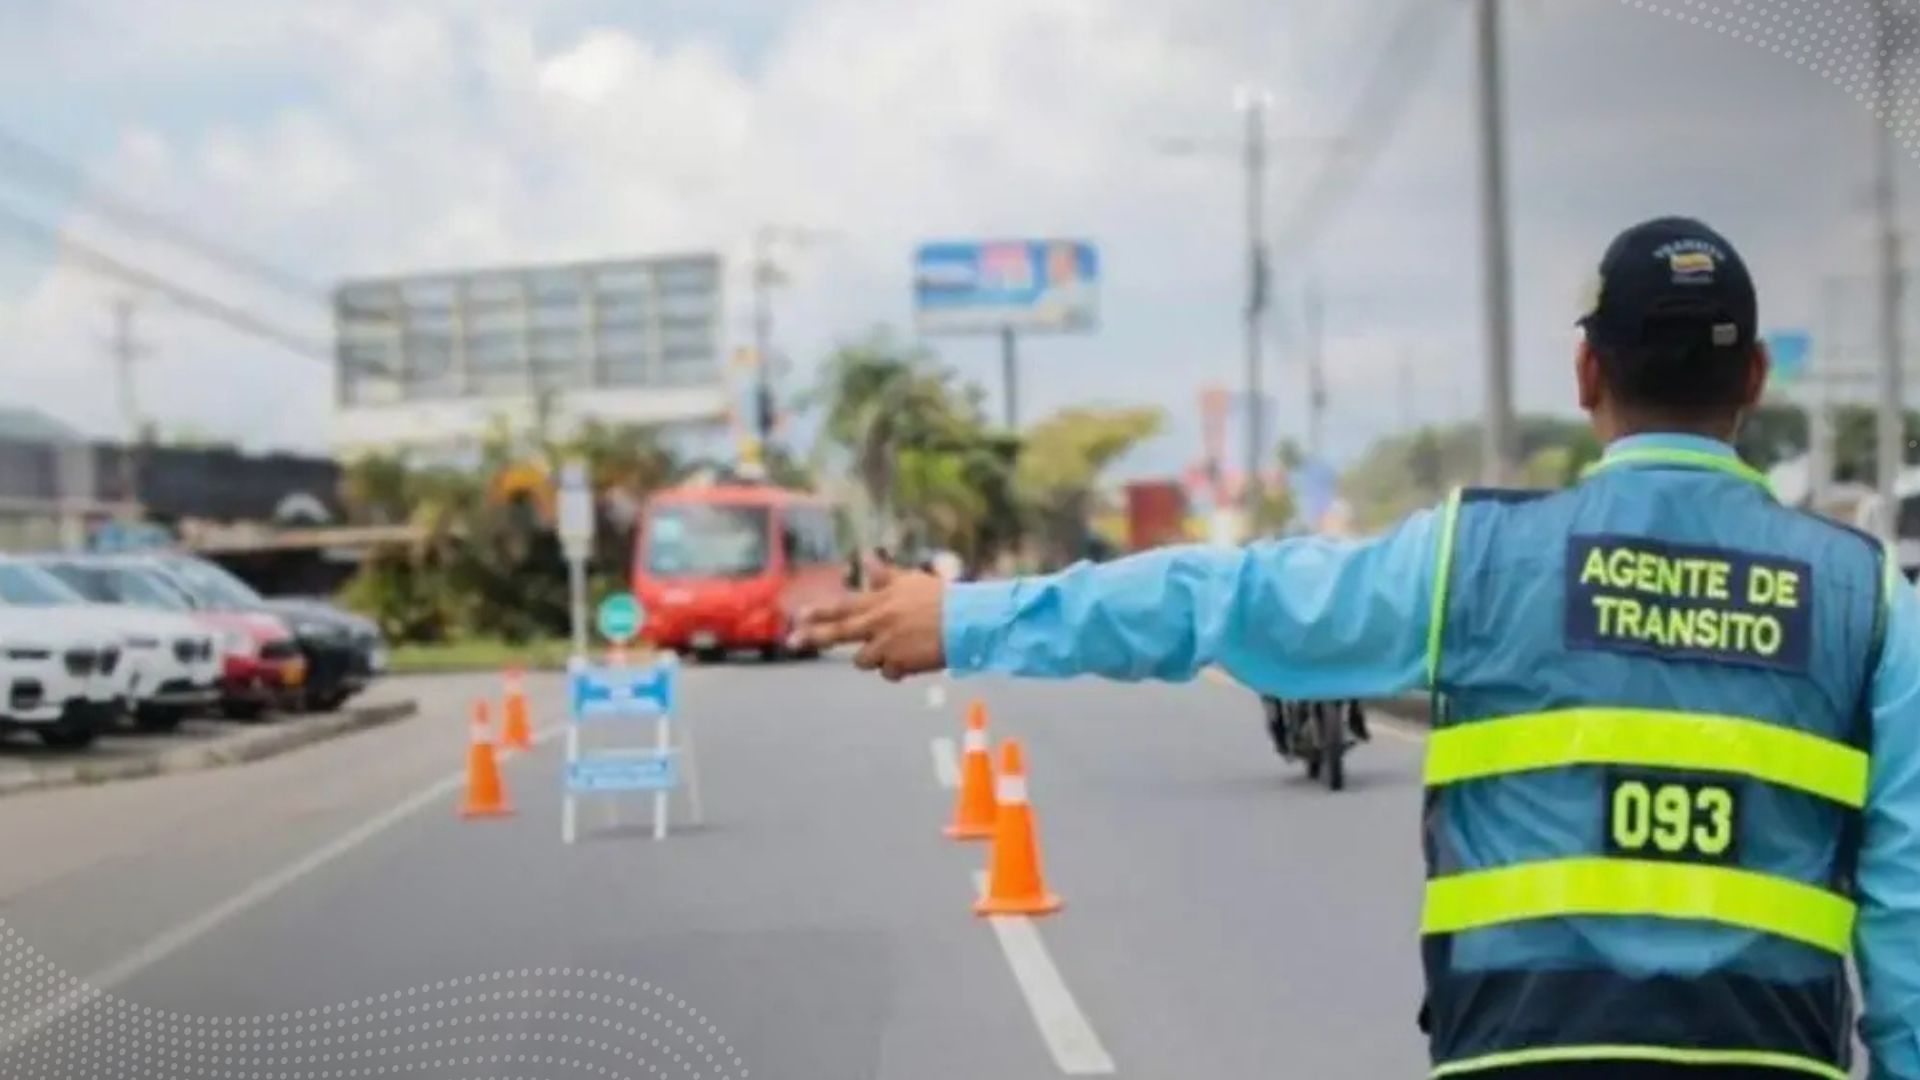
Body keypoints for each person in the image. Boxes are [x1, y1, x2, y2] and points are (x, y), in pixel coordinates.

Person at [795, 217, 1920, 1080]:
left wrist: (967, 616)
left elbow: (1216, 598)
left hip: (1524, 1047)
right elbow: (1908, 894)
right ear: (1757, 382)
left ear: (1587, 377)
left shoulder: (1473, 560)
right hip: (1773, 1049)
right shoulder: (1868, 597)